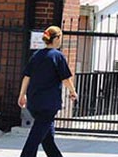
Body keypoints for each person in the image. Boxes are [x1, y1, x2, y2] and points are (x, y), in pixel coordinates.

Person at [18, 26, 77, 157]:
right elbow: (66, 78)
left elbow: (27, 76)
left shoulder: (36, 55)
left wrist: (22, 95)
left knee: (47, 139)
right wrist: (73, 92)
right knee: (35, 136)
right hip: (49, 103)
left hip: (34, 101)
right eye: (60, 37)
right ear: (56, 38)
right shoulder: (57, 56)